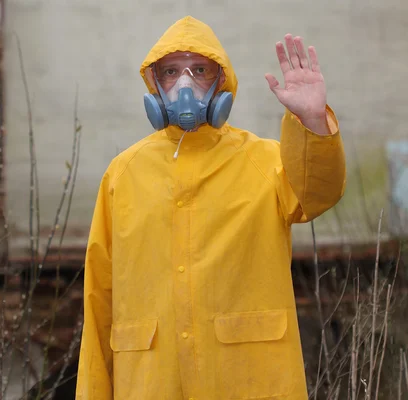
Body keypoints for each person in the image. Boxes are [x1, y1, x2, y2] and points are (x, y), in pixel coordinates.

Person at [75, 15, 346, 400]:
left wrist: (313, 120)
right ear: (155, 84)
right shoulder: (123, 175)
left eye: (198, 69)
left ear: (221, 80)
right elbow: (98, 301)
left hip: (249, 383)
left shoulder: (264, 160)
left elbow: (321, 192)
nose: (184, 83)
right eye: (170, 71)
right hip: (151, 385)